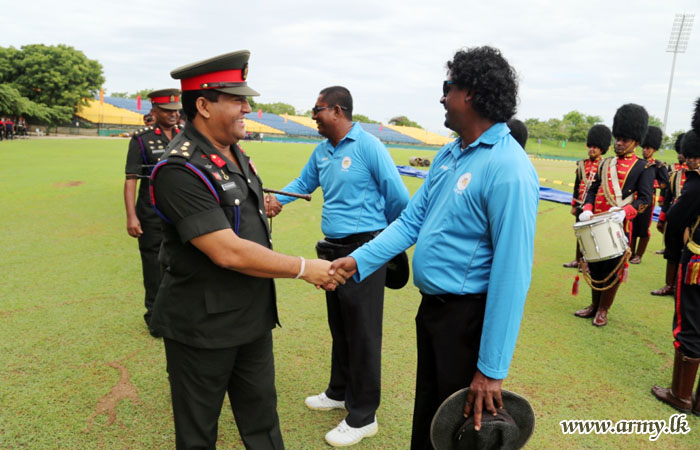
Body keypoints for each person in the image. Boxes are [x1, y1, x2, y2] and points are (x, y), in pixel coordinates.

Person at [330, 46, 539, 449]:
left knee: (458, 434)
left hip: (467, 322)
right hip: (433, 315)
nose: (442, 98)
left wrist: (491, 370)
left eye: (448, 87)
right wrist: (356, 261)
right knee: (430, 421)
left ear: (471, 93)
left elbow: (511, 276)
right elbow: (411, 221)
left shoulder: (509, 168)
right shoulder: (451, 152)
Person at [150, 50, 348, 450]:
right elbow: (228, 251)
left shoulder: (236, 153)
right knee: (197, 433)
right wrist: (303, 267)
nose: (247, 108)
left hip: (251, 318)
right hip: (202, 327)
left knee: (263, 424)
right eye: (236, 99)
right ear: (203, 106)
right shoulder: (179, 169)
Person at [273, 86, 409, 447]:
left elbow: (398, 198)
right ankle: (339, 391)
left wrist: (385, 244)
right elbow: (303, 184)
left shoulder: (368, 146)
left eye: (317, 109)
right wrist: (277, 200)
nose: (313, 116)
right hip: (332, 251)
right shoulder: (322, 150)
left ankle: (364, 416)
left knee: (363, 332)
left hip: (365, 251)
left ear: (336, 110)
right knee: (341, 325)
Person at [575, 104, 655, 327]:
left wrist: (625, 212)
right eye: (617, 138)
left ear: (635, 141)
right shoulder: (605, 163)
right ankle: (594, 305)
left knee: (612, 269)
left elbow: (645, 199)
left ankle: (603, 309)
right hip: (596, 222)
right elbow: (593, 189)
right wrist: (587, 208)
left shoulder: (643, 167)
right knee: (595, 265)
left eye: (624, 139)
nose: (619, 143)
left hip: (620, 225)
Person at [651, 104, 700, 413]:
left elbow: (678, 217)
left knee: (690, 326)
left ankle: (680, 395)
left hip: (697, 261)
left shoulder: (696, 181)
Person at [124, 89, 183, 336]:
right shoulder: (141, 139)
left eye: (176, 110)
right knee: (152, 265)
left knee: (180, 263)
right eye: (167, 111)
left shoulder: (186, 136)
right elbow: (131, 179)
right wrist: (131, 216)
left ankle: (178, 314)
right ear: (154, 111)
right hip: (151, 212)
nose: (173, 115)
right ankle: (155, 317)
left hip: (180, 212)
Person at [563, 124, 611, 268]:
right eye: (590, 146)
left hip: (595, 205)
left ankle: (589, 262)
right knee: (580, 233)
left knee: (593, 235)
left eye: (595, 147)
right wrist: (574, 205)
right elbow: (577, 185)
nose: (592, 149)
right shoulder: (582, 165)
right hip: (580, 203)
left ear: (601, 149)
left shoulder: (605, 165)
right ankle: (578, 260)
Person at [653, 133, 689, 295]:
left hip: (691, 224)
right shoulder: (675, 175)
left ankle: (682, 287)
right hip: (674, 220)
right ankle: (669, 285)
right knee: (671, 253)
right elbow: (668, 198)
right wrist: (662, 219)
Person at [629, 126, 669, 264]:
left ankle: (639, 255)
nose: (645, 151)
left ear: (654, 150)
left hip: (648, 201)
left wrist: (651, 184)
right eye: (644, 148)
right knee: (632, 227)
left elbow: (665, 183)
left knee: (643, 228)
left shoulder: (658, 165)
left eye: (648, 148)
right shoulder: (638, 163)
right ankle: (631, 253)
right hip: (634, 199)